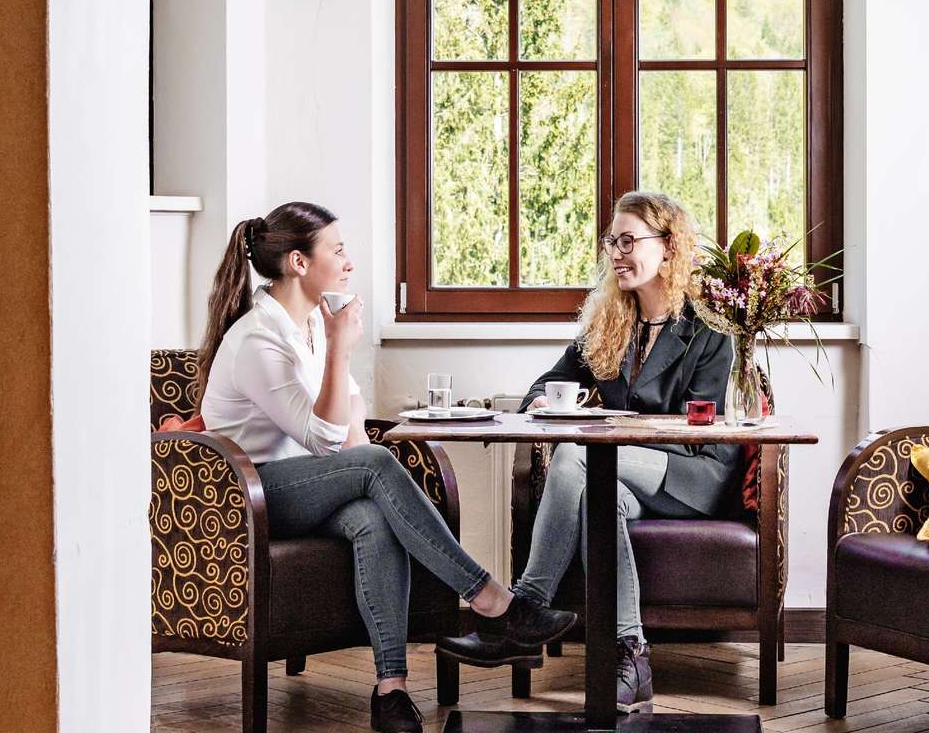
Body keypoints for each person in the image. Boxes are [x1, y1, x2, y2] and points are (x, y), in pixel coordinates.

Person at [195, 201, 575, 733]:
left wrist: (362, 469)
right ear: (300, 263)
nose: (349, 262)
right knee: (374, 464)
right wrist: (340, 352)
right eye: (338, 250)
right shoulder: (260, 339)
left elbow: (346, 422)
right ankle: (491, 599)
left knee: (374, 518)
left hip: (305, 488)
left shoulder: (308, 327)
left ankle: (390, 691)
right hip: (249, 496)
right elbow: (325, 438)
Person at [438, 191, 737, 713]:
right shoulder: (608, 323)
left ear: (667, 247)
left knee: (579, 456)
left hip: (690, 477)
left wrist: (612, 428)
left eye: (628, 241)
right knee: (594, 498)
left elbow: (698, 429)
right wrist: (542, 401)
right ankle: (632, 654)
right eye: (611, 242)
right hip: (627, 478)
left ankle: (524, 611)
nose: (616, 254)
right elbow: (549, 382)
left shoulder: (710, 333)